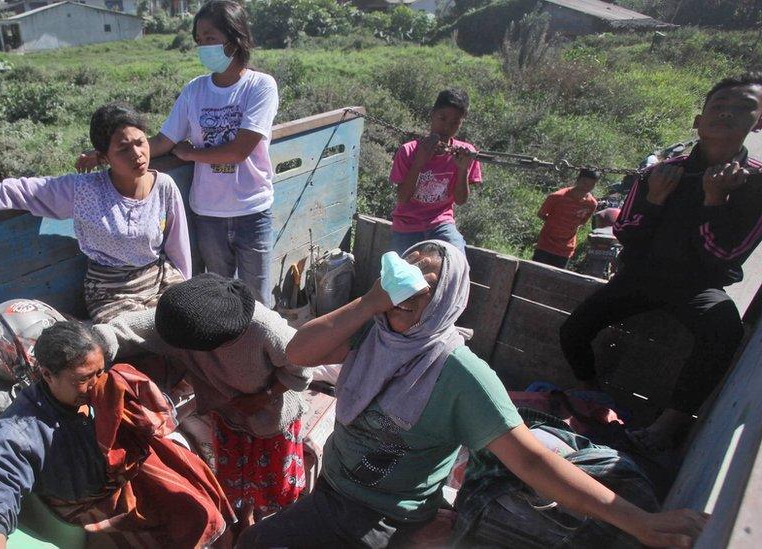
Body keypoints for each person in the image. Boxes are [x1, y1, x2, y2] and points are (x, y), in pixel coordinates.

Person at [239, 240, 708, 549]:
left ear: (444, 300)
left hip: (384, 519)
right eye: (405, 274)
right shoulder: (372, 331)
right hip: (331, 496)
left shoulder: (460, 373)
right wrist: (371, 301)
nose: (406, 290)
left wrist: (635, 521)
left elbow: (531, 460)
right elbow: (298, 351)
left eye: (424, 284)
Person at [560, 72, 762, 452]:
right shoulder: (660, 172)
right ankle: (594, 397)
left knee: (725, 331)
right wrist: (654, 199)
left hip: (697, 285)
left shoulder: (755, 186)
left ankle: (668, 426)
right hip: (642, 275)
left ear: (759, 121)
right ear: (698, 120)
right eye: (718, 107)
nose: (727, 114)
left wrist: (713, 199)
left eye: (744, 108)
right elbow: (627, 233)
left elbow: (724, 256)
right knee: (572, 331)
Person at [0, 321, 234, 549]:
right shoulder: (22, 430)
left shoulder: (105, 390)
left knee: (198, 508)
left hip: (130, 482)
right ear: (47, 375)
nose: (97, 385)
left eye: (100, 372)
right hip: (94, 509)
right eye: (83, 379)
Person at [77, 0, 278, 307]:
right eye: (199, 40)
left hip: (252, 209)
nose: (203, 47)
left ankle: (261, 353)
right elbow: (163, 141)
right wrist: (105, 153)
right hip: (208, 212)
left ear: (235, 37)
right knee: (222, 298)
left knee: (257, 298)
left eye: (210, 38)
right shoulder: (195, 90)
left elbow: (239, 150)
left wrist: (192, 153)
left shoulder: (260, 86)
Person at [0, 105, 190, 322]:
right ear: (103, 156)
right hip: (111, 291)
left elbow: (178, 248)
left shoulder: (163, 185)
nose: (138, 154)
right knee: (142, 334)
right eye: (123, 148)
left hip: (157, 277)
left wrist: (184, 286)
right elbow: (16, 191)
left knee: (189, 317)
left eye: (140, 143)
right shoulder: (84, 191)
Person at [96, 273, 310, 532]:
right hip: (228, 414)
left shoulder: (265, 329)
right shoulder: (185, 319)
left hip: (272, 417)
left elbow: (302, 369)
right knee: (237, 475)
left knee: (272, 479)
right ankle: (245, 516)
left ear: (212, 343)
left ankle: (274, 523)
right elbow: (127, 328)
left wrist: (263, 397)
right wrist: (92, 346)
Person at [388, 89, 482, 255]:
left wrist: (462, 170)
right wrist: (419, 162)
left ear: (461, 123)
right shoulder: (408, 151)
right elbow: (402, 198)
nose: (446, 127)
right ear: (432, 114)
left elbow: (460, 200)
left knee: (456, 259)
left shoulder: (465, 153)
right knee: (401, 272)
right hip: (407, 224)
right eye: (442, 118)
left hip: (441, 224)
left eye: (455, 123)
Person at [532, 168, 600, 269]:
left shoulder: (591, 204)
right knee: (534, 274)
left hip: (565, 249)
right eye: (584, 182)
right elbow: (541, 214)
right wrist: (555, 223)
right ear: (578, 180)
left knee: (557, 280)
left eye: (591, 185)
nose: (587, 187)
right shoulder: (557, 197)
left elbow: (582, 222)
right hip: (545, 245)